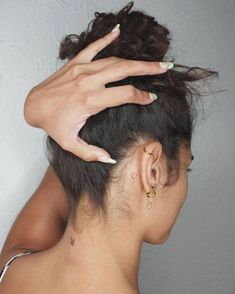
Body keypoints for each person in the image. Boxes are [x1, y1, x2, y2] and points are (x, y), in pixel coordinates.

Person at [0, 2, 218, 293]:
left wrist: (35, 111)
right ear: (152, 169)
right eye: (185, 165)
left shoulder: (13, 269)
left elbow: (83, 150)